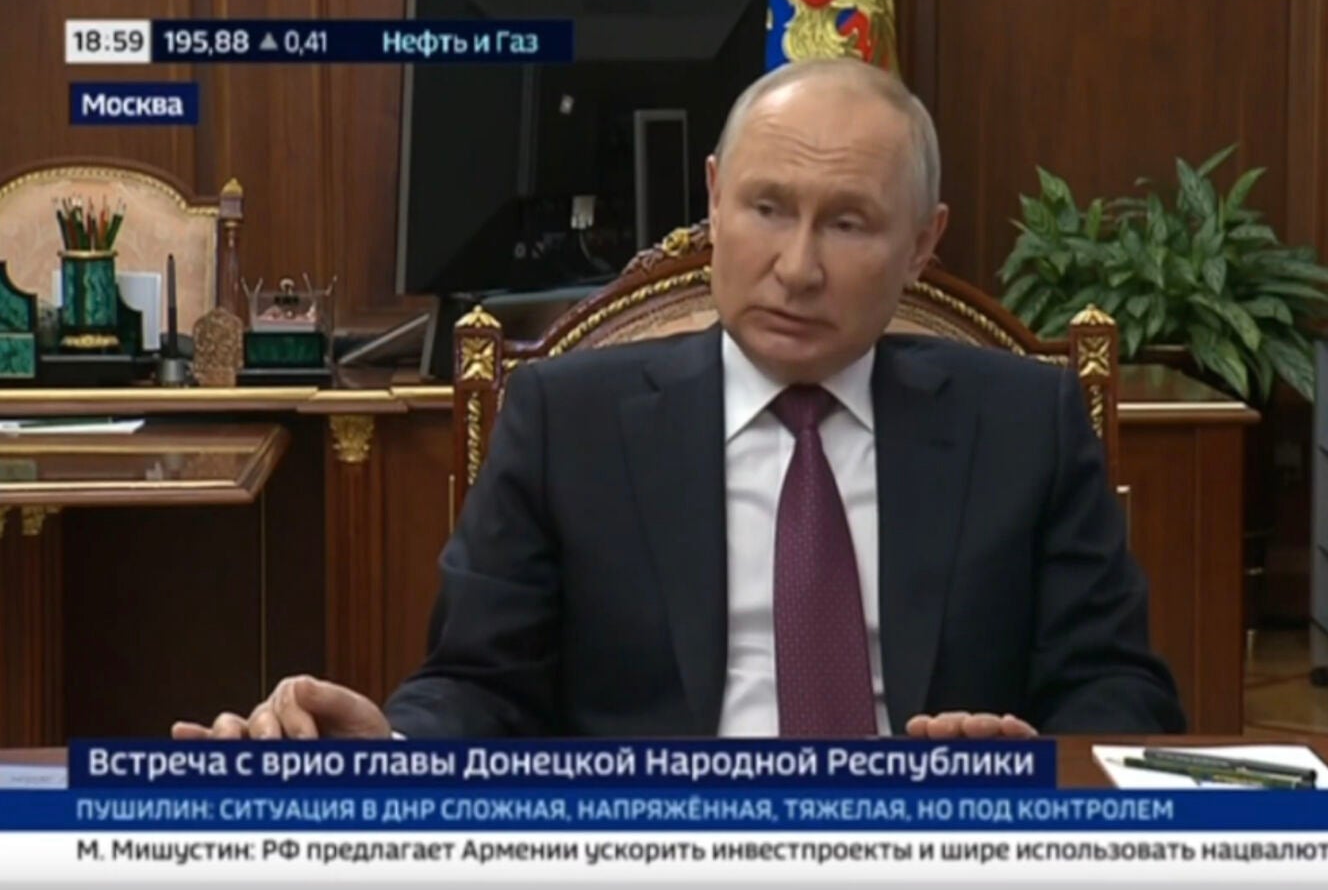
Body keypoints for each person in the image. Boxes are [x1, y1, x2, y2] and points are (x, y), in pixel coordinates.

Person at [173, 57, 1184, 743]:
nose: (797, 267)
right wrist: (390, 747)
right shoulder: (567, 422)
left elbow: (1121, 690)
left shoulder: (1025, 423)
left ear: (924, 243)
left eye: (848, 225)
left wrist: (1029, 761)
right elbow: (480, 687)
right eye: (766, 208)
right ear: (712, 197)